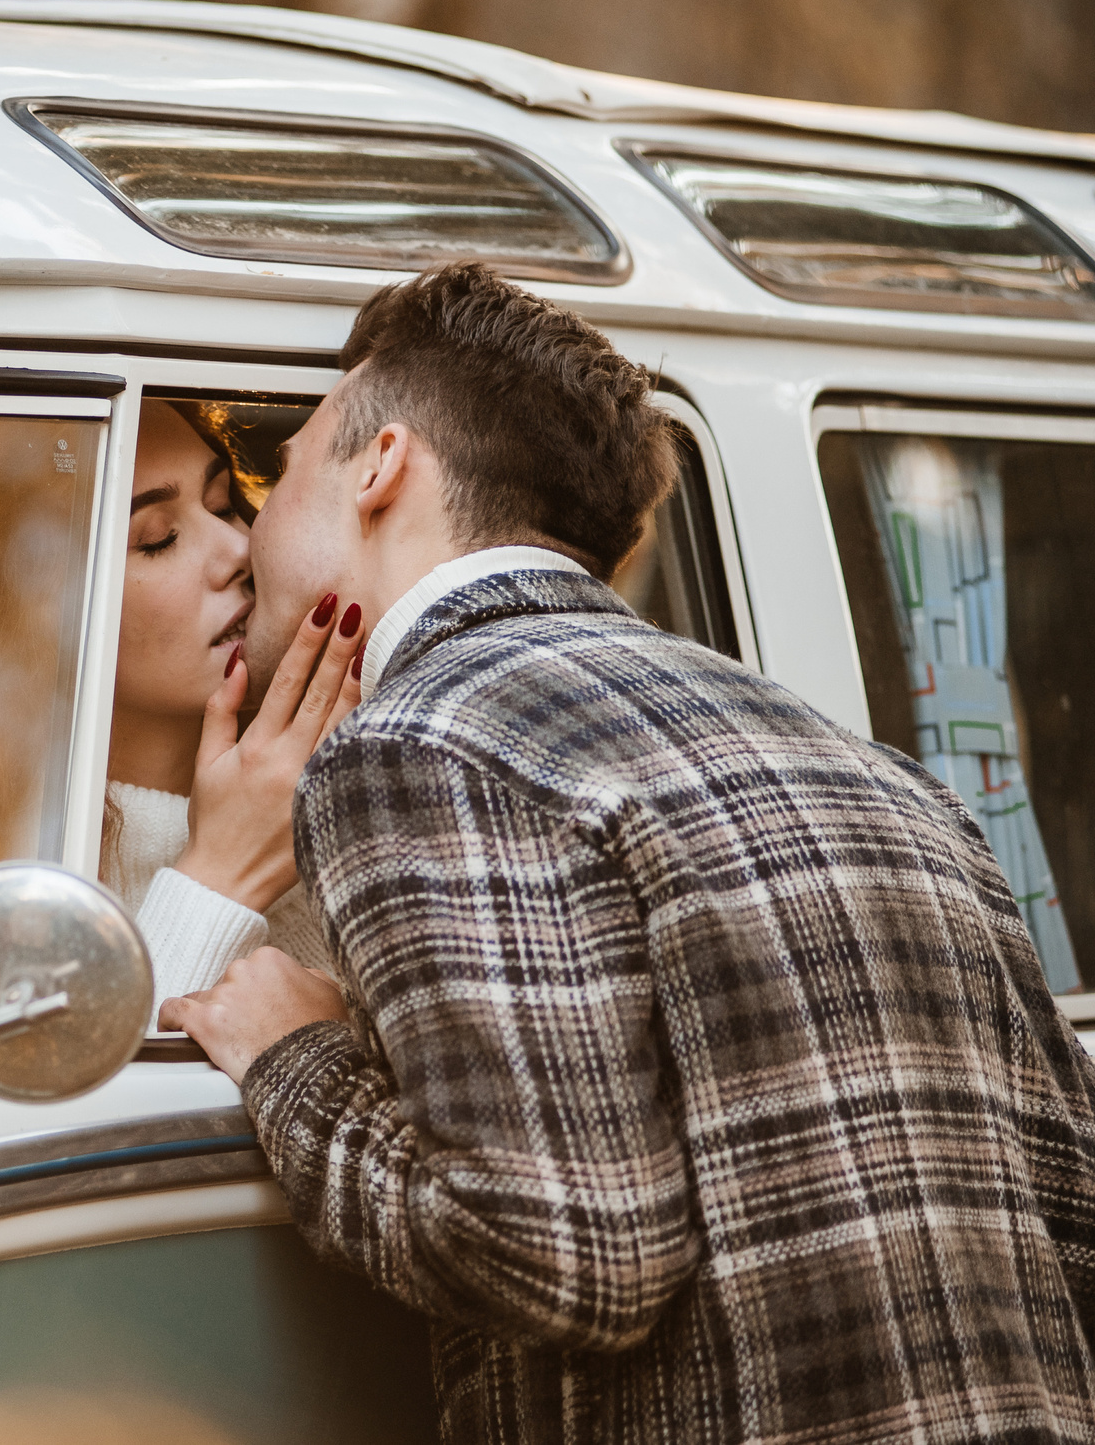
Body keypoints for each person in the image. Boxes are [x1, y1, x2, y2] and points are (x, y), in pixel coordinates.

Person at [164, 262, 1095, 1443]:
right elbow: (1072, 1212)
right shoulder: (877, 771)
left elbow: (561, 1256)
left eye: (278, 472)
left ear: (379, 465)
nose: (253, 528)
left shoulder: (418, 738)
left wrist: (292, 1059)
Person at [102, 400, 355, 1017]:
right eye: (158, 540)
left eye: (221, 505)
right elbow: (92, 1079)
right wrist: (221, 875)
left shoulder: (352, 803)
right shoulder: (5, 872)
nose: (241, 546)